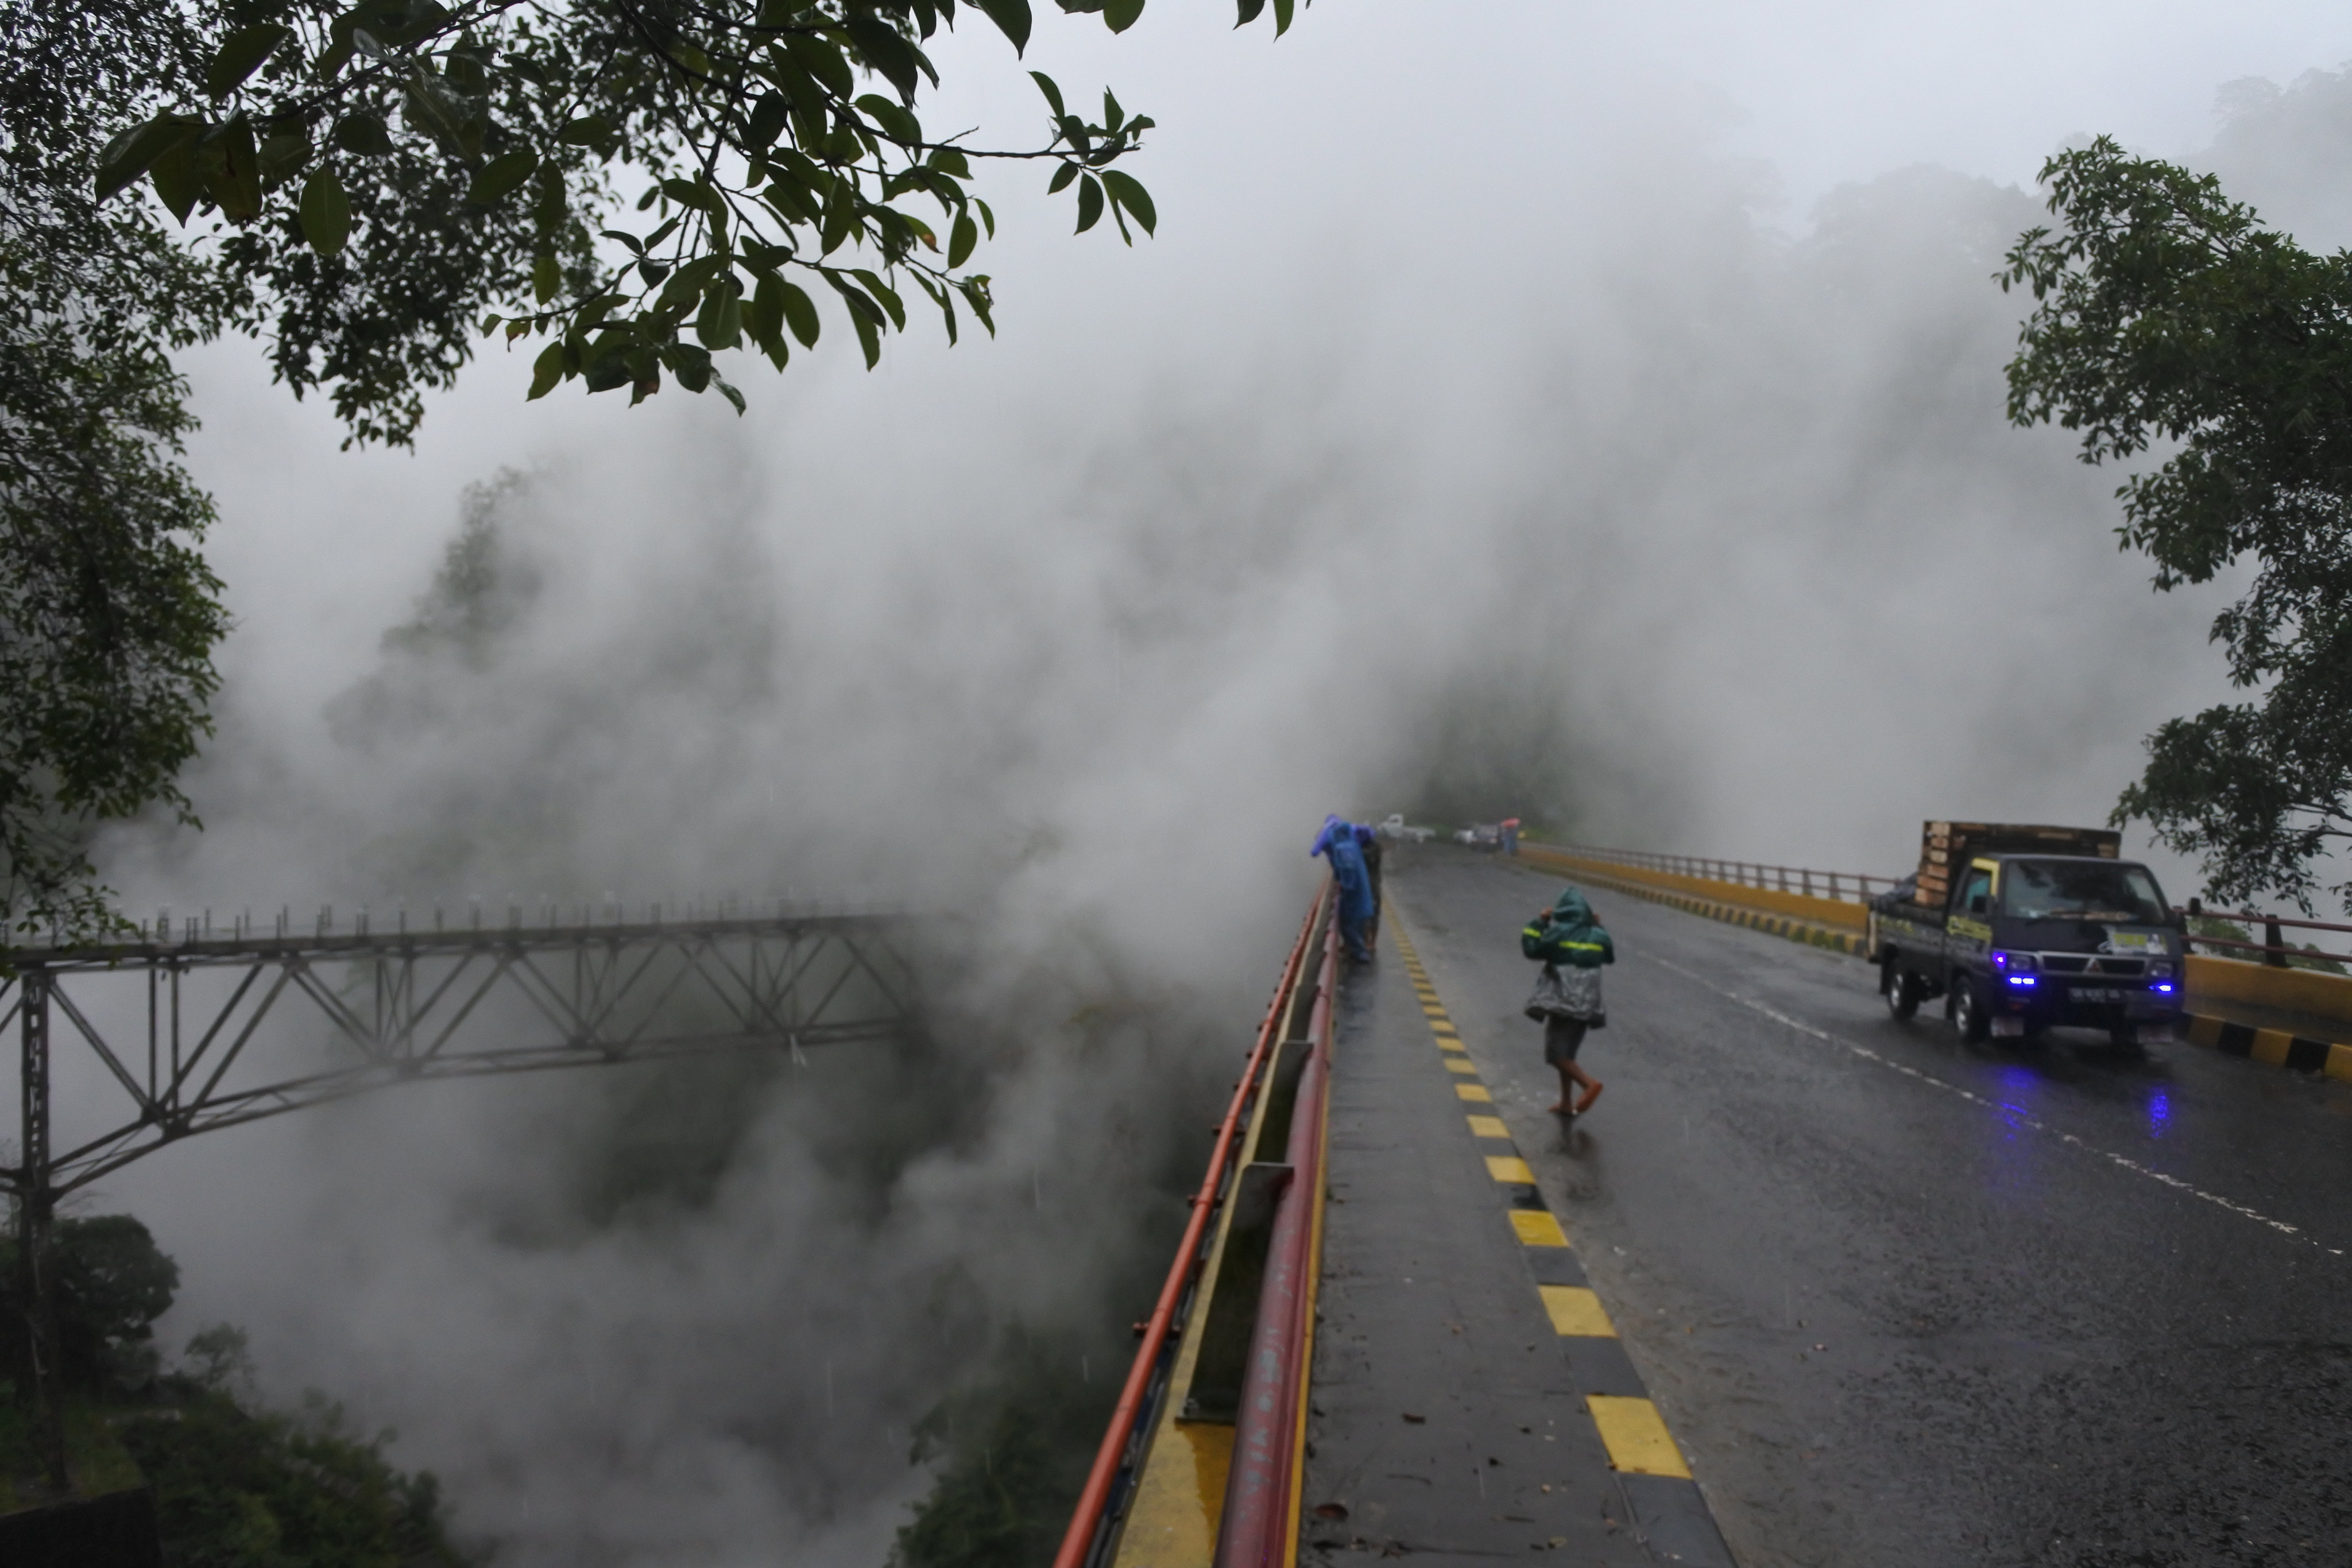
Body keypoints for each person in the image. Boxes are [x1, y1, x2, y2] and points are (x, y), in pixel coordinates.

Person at [1521, 886, 1613, 1115]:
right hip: (1588, 1004)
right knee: (1568, 1055)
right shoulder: (1598, 935)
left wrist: (1539, 922)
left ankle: (1589, 1084)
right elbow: (1609, 956)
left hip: (1562, 1002)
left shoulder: (1557, 933)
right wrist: (1597, 927)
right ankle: (1565, 1103)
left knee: (1556, 1055)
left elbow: (1531, 950)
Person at [1312, 815, 1376, 963]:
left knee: (1347, 924)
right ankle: (1357, 950)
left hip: (1354, 896)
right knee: (1358, 924)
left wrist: (1344, 886)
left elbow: (1348, 875)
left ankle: (1359, 954)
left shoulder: (1343, 849)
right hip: (1362, 894)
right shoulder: (1353, 845)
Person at [1352, 820, 1385, 951]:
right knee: (1373, 913)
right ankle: (1370, 942)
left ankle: (1369, 942)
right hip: (1374, 883)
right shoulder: (1375, 847)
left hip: (1369, 884)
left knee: (1368, 913)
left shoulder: (1367, 850)